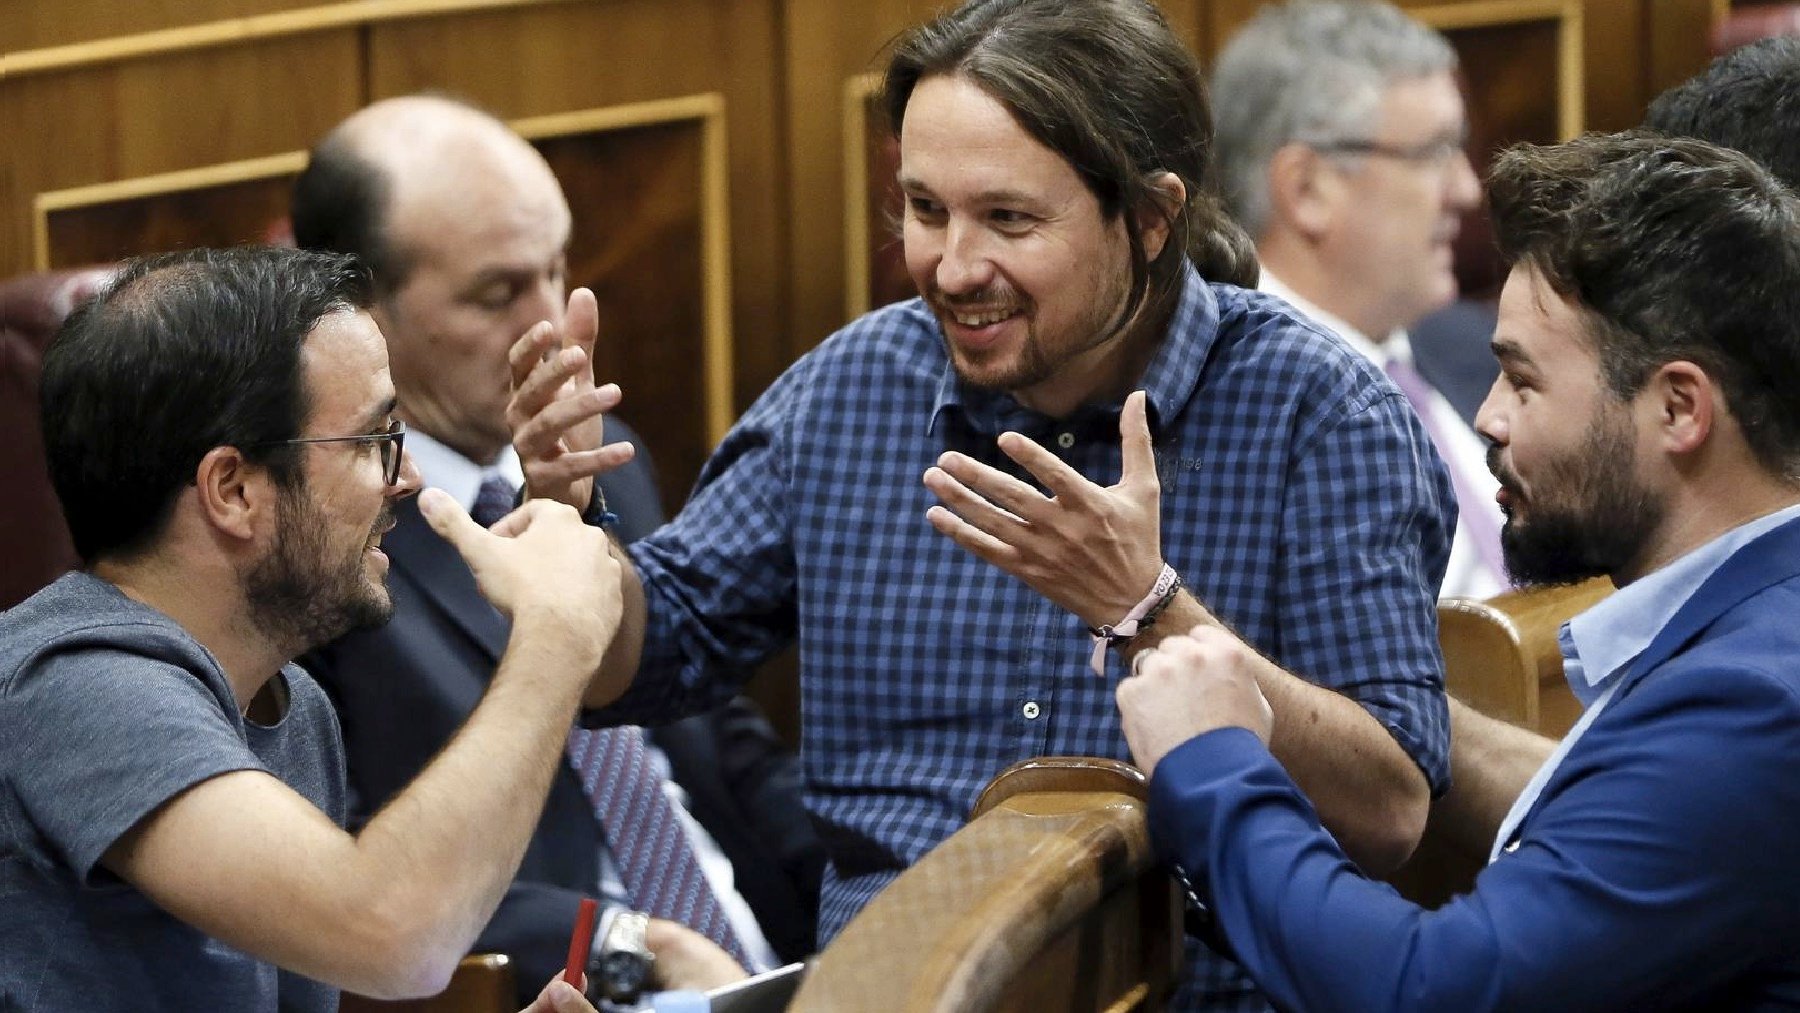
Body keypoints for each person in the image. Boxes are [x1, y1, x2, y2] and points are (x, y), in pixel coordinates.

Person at [512, 0, 1455, 1006]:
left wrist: (1152, 612)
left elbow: (1389, 811)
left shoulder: (1319, 409)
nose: (952, 268)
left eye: (1008, 219)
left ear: (1150, 216)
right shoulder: (856, 390)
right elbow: (642, 661)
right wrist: (574, 530)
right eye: (925, 210)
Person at [1116, 131, 1800, 1009]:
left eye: (1522, 381)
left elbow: (1427, 990)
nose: (1487, 416)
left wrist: (1212, 757)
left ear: (1678, 408)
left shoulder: (1749, 707)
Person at [290, 95, 821, 1003]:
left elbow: (717, 740)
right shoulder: (317, 538)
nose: (553, 329)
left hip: (763, 966)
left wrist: (878, 886)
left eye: (558, 269)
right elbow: (325, 879)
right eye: (498, 293)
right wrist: (621, 939)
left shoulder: (603, 448)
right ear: (358, 309)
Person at [0, 246, 630, 1010]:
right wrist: (556, 636)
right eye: (374, 440)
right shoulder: (77, 684)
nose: (409, 479)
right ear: (232, 489)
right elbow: (396, 935)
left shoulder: (289, 705)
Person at [1211, 0, 1505, 598]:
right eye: (1433, 153)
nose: (1468, 189)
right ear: (1307, 188)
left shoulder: (1479, 347)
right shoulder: (1226, 414)